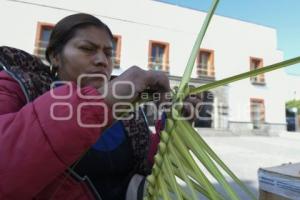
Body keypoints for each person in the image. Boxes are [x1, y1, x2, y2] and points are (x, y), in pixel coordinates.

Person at [0, 13, 172, 200]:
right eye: (87, 49)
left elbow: (147, 163)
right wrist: (103, 100)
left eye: (108, 53)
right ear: (56, 57)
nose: (102, 61)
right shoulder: (18, 87)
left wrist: (171, 125)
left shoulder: (128, 114)